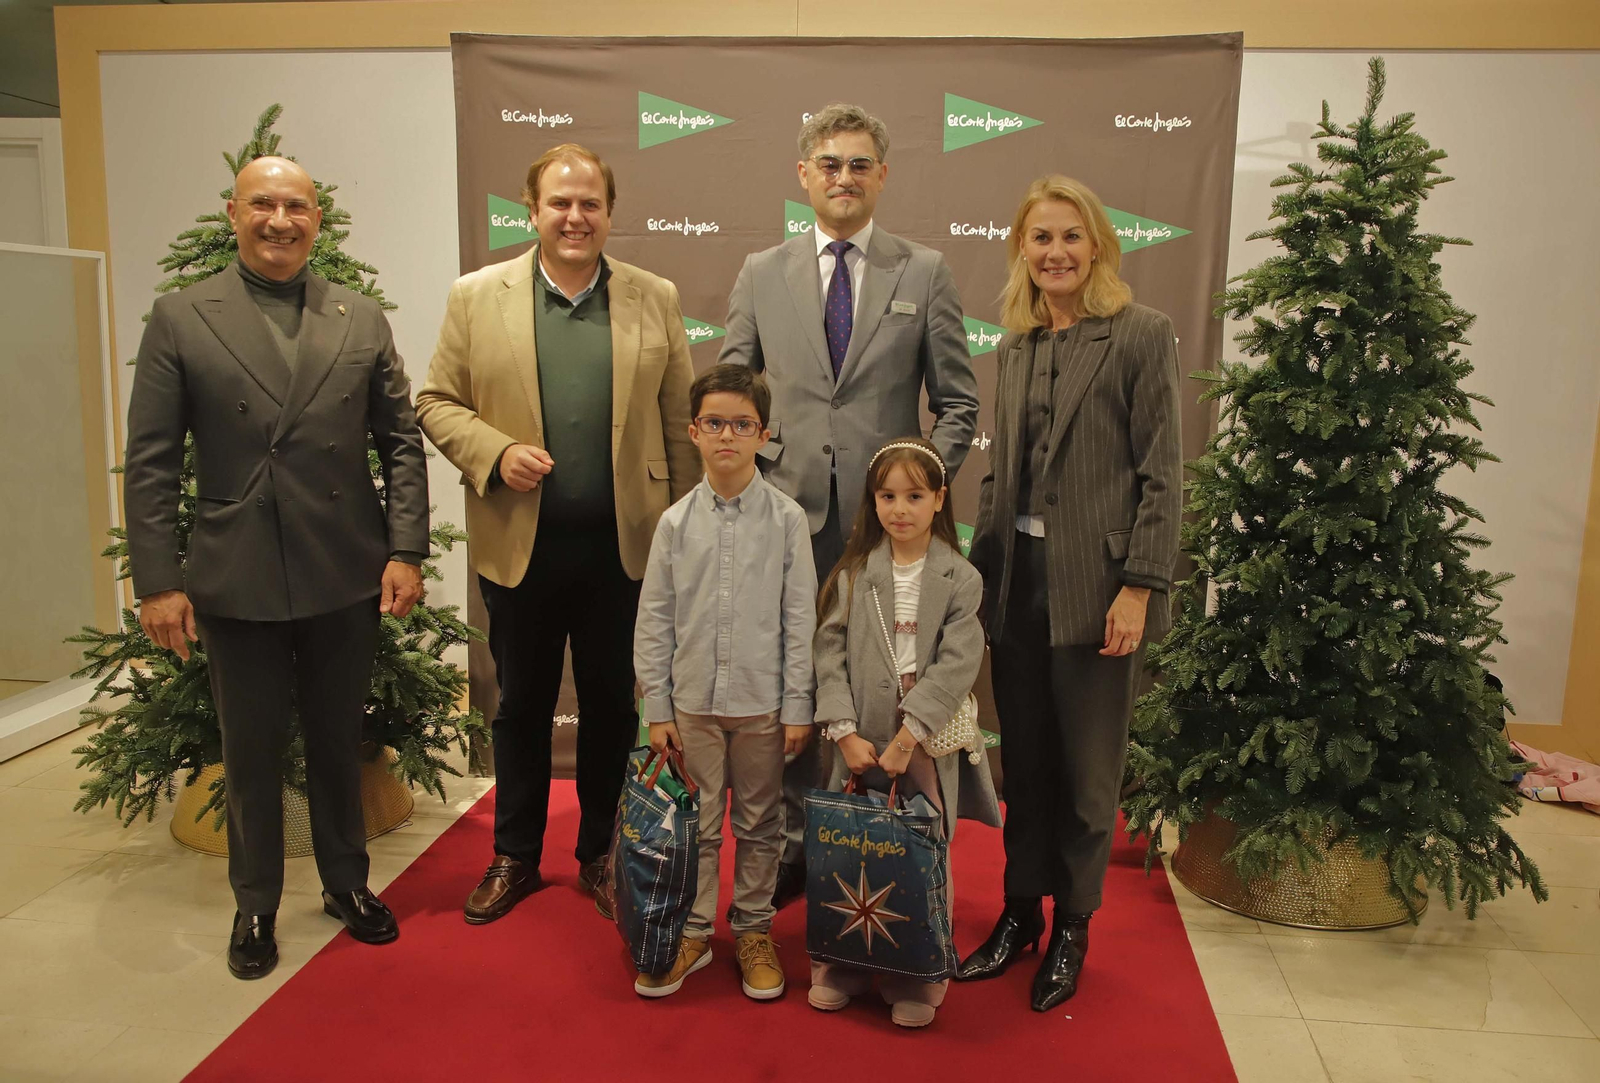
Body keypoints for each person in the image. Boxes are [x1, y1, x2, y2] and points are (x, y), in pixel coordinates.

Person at [124, 155, 429, 979]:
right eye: (263, 203)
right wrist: (158, 581)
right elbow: (151, 461)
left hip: (343, 565)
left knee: (336, 738)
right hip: (238, 568)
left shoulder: (360, 317)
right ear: (234, 213)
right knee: (251, 751)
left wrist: (406, 549)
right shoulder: (182, 316)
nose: (280, 221)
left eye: (296, 206)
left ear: (316, 221)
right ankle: (255, 901)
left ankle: (346, 883)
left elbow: (401, 444)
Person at [416, 143, 700, 925]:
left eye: (590, 204)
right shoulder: (477, 297)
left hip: (625, 549)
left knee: (611, 703)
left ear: (609, 211)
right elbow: (435, 401)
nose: (575, 217)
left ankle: (601, 853)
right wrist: (494, 451)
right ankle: (514, 854)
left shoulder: (654, 297)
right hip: (521, 547)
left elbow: (680, 425)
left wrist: (685, 537)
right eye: (560, 204)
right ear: (531, 210)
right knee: (521, 707)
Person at [720, 104, 979, 906]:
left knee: (869, 688)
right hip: (783, 521)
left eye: (860, 163)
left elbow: (959, 404)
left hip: (882, 536)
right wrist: (756, 479)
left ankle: (868, 837)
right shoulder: (760, 272)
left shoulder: (924, 271)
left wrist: (916, 490)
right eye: (829, 163)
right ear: (804, 174)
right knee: (793, 681)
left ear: (882, 175)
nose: (844, 176)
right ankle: (794, 843)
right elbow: (734, 395)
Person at [959, 176, 1181, 1011]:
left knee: (1089, 775)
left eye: (1070, 236)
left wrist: (1140, 587)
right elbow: (1000, 478)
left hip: (1100, 590)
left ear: (1098, 246)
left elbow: (1163, 476)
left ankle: (1073, 926)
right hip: (1017, 583)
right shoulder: (1016, 345)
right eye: (1041, 237)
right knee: (1026, 764)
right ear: (1022, 249)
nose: (1056, 252)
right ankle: (1020, 912)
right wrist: (978, 582)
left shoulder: (1140, 334)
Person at [630, 364, 817, 1000]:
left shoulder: (788, 520)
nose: (728, 436)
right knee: (700, 825)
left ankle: (755, 929)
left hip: (764, 704)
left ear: (764, 434)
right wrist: (658, 707)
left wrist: (798, 705)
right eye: (715, 423)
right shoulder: (675, 523)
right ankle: (695, 930)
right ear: (694, 432)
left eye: (742, 424)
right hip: (693, 707)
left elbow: (801, 618)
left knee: (761, 824)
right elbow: (655, 620)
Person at [809, 437, 999, 1028]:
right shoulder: (855, 574)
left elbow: (958, 663)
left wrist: (907, 737)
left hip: (921, 741)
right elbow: (829, 653)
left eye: (914, 496)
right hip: (859, 735)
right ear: (873, 501)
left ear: (939, 499)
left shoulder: (961, 577)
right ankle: (842, 962)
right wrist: (843, 732)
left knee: (921, 844)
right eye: (887, 496)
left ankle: (917, 971)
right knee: (851, 842)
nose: (900, 509)